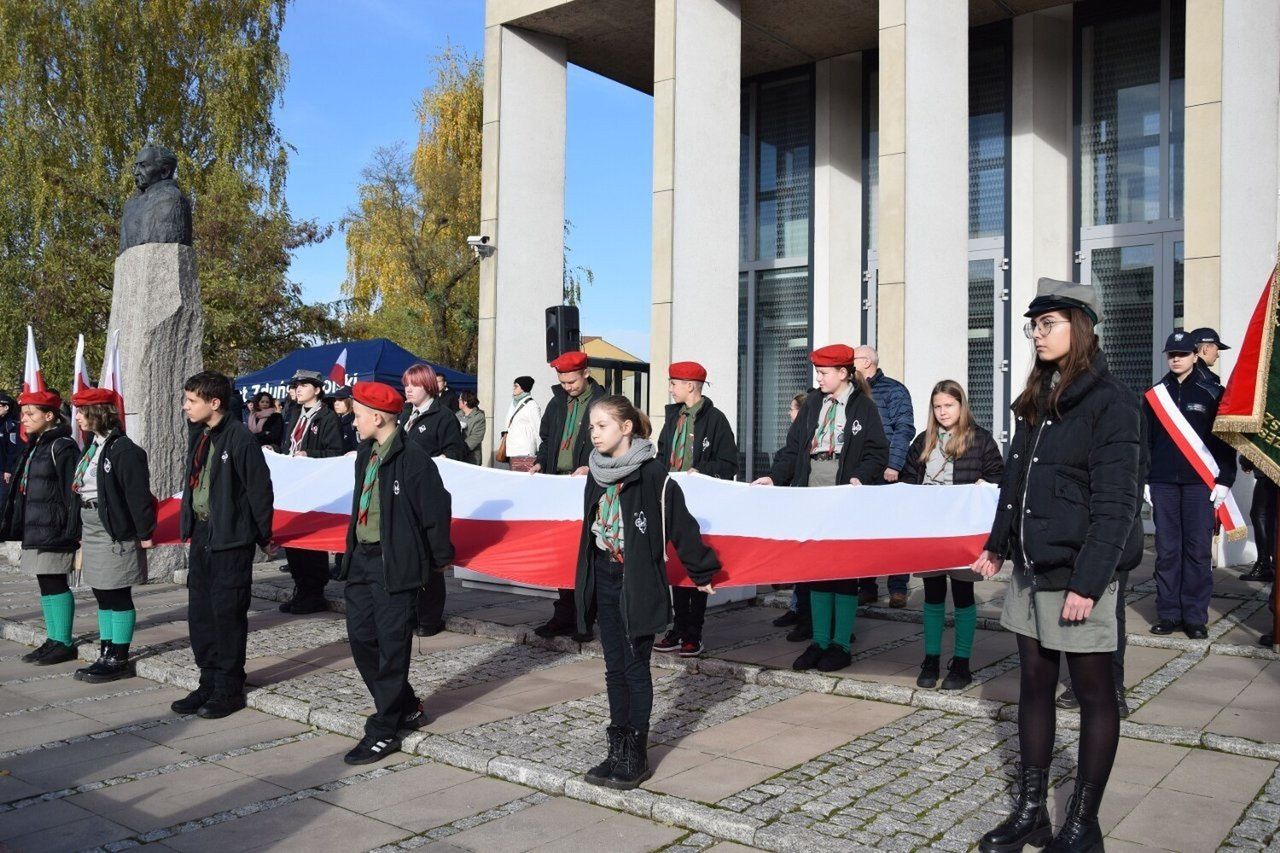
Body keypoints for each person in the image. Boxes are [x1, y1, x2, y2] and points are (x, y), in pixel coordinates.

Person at [973, 278, 1142, 853]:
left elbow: (1117, 505)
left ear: (1081, 325)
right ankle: (1031, 811)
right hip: (1029, 566)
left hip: (1079, 575)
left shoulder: (1111, 401)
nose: (1037, 334)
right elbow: (1016, 481)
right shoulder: (1038, 396)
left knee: (1095, 694)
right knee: (1035, 687)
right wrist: (998, 541)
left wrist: (1089, 583)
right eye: (1034, 326)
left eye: (1048, 324)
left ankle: (1082, 823)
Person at [577, 395, 719, 790]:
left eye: (602, 425)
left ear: (625, 428)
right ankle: (616, 745)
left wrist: (702, 569)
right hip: (604, 575)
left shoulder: (654, 474)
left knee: (634, 666)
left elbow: (682, 527)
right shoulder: (595, 472)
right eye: (591, 426)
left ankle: (635, 754)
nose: (594, 432)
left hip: (636, 579)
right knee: (612, 666)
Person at [334, 381, 452, 764]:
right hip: (361, 561)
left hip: (394, 565)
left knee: (391, 647)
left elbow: (436, 511)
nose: (353, 421)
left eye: (358, 414)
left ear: (378, 416)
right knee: (361, 639)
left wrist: (435, 560)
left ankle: (385, 728)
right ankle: (404, 704)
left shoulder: (414, 458)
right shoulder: (364, 453)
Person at [753, 345, 889, 672]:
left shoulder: (863, 407)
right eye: (817, 372)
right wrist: (774, 476)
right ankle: (819, 640)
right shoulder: (813, 403)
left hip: (844, 496)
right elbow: (792, 449)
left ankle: (840, 644)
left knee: (842, 573)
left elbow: (877, 453)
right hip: (812, 494)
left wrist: (859, 477)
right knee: (815, 570)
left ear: (843, 373)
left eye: (824, 372)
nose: (819, 378)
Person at [173, 371, 275, 719]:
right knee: (200, 614)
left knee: (227, 614)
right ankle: (208, 679)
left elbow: (259, 489)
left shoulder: (240, 439)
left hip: (232, 538)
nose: (185, 406)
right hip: (203, 535)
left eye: (191, 401)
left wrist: (265, 536)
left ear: (213, 403)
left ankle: (229, 686)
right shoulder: (200, 434)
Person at [899, 380, 1003, 691]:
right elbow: (907, 479)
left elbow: (998, 475)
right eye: (938, 406)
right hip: (931, 530)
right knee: (931, 593)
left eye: (949, 405)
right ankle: (930, 658)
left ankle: (961, 662)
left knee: (962, 594)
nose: (943, 412)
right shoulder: (923, 441)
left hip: (963, 531)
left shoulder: (980, 440)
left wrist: (980, 487)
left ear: (961, 406)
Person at [1145, 330, 1236, 640]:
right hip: (1163, 484)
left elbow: (1225, 440)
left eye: (1182, 354)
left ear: (1195, 356)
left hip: (1201, 484)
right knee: (1167, 551)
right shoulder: (1154, 395)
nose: (1176, 359)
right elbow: (1146, 441)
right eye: (1172, 354)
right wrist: (1146, 477)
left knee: (1197, 552)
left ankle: (1195, 617)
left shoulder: (1212, 392)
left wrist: (1225, 478)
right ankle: (1169, 614)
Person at [69, 388, 156, 683]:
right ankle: (106, 649)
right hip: (92, 523)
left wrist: (145, 532)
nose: (78, 417)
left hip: (114, 528)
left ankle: (118, 656)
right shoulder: (93, 446)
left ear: (98, 413)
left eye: (82, 411)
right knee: (101, 591)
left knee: (116, 591)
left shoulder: (124, 449)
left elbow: (138, 495)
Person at [653, 362, 738, 658]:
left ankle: (694, 632)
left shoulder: (716, 420)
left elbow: (729, 464)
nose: (670, 388)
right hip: (672, 500)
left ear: (690, 385)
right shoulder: (673, 417)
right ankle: (678, 627)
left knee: (696, 565)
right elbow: (662, 455)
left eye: (674, 382)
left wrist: (699, 470)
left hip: (701, 505)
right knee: (675, 563)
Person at [0, 390, 79, 665]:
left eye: (30, 414)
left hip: (53, 527)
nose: (24, 419)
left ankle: (64, 641)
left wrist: (72, 531)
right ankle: (53, 638)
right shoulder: (36, 444)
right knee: (45, 583)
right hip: (35, 526)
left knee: (55, 582)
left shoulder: (63, 446)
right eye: (23, 414)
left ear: (49, 416)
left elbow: (73, 492)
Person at [532, 351, 603, 641]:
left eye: (572, 381)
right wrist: (539, 460)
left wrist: (591, 466)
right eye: (562, 382)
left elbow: (613, 443)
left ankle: (584, 621)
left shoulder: (603, 403)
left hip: (589, 486)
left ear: (586, 373)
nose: (567, 387)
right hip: (558, 485)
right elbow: (547, 439)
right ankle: (563, 616)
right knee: (562, 555)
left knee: (587, 555)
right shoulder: (556, 401)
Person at [399, 363, 466, 637]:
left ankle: (428, 617)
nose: (408, 389)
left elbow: (456, 454)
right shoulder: (405, 414)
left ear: (428, 386)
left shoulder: (444, 417)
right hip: (403, 494)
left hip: (429, 494)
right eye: (406, 384)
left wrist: (439, 461)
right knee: (409, 555)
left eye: (414, 384)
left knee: (429, 558)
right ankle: (411, 611)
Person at [277, 369, 345, 615]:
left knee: (310, 545)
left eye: (303, 385)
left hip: (314, 489)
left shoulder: (327, 417)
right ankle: (301, 589)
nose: (297, 389)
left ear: (316, 389)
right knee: (293, 542)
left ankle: (314, 592)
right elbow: (289, 445)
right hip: (293, 486)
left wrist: (310, 455)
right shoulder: (294, 414)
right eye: (296, 385)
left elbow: (336, 451)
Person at [853, 346, 915, 608]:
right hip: (861, 473)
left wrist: (894, 464)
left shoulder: (894, 390)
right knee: (863, 533)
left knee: (893, 532)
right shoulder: (853, 392)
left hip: (887, 472)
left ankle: (898, 588)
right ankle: (867, 586)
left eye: (853, 359)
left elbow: (904, 428)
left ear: (866, 361)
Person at [772, 392, 809, 631]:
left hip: (804, 498)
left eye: (792, 409)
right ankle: (797, 608)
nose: (789, 413)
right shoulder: (794, 436)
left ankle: (806, 613)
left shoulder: (809, 434)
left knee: (807, 561)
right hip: (793, 498)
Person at [1241, 455, 1276, 582]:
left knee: (1259, 514)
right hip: (1270, 470)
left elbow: (1259, 441)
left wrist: (1247, 460)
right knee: (1268, 515)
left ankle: (1264, 564)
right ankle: (1269, 564)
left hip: (1270, 470)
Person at [502, 376, 541, 473]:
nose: (513, 388)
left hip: (524, 451)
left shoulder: (532, 406)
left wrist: (540, 452)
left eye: (516, 386)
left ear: (523, 387)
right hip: (512, 450)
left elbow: (538, 429)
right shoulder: (514, 403)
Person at [0, 392, 19, 512]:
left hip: (3, 471)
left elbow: (12, 449)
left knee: (2, 501)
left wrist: (8, 469)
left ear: (6, 407)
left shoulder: (10, 425)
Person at [458, 391, 486, 465]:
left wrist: (461, 450)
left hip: (471, 458)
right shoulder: (458, 414)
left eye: (460, 399)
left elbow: (476, 437)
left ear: (465, 402)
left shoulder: (479, 416)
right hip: (458, 458)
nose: (458, 401)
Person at [332, 388, 359, 453]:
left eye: (341, 400)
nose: (336, 403)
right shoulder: (334, 420)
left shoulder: (355, 422)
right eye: (335, 400)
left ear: (351, 401)